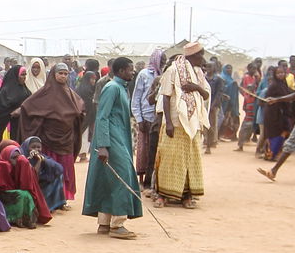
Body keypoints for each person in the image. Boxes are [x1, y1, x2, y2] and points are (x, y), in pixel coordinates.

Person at [82, 57, 142, 239]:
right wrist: (103, 146)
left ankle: (104, 223)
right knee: (122, 176)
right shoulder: (112, 88)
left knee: (109, 178)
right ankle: (117, 224)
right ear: (122, 71)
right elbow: (102, 117)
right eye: (130, 69)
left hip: (119, 137)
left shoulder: (121, 88)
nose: (133, 72)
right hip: (111, 140)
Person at [13, 62, 85, 205]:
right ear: (54, 74)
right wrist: (20, 111)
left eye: (65, 74)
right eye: (60, 73)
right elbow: (29, 105)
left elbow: (79, 107)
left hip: (66, 137)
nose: (63, 76)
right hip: (49, 137)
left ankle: (63, 198)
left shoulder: (70, 93)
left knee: (66, 167)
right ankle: (50, 198)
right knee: (50, 167)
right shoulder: (45, 92)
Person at [153, 42, 210, 208]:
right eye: (201, 55)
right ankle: (163, 195)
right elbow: (165, 96)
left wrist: (196, 88)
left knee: (190, 160)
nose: (203, 59)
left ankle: (187, 195)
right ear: (193, 56)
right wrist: (169, 122)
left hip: (193, 125)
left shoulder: (199, 74)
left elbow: (206, 95)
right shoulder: (172, 70)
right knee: (170, 159)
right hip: (176, 123)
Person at [131, 49, 163, 191]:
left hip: (159, 116)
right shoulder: (144, 74)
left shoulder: (165, 75)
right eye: (162, 60)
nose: (163, 63)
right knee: (144, 149)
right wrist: (139, 118)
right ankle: (142, 179)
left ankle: (155, 180)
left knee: (156, 150)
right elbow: (136, 97)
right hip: (146, 116)